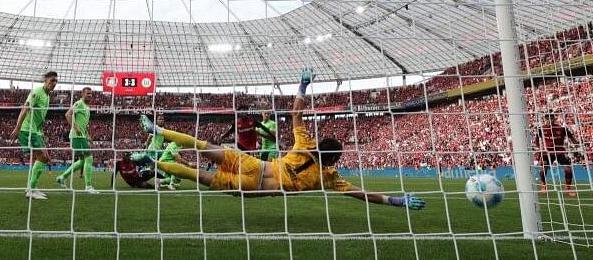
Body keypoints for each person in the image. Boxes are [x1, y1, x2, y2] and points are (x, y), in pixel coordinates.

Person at [132, 69, 425, 210]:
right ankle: (152, 158)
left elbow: (296, 114)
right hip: (255, 187)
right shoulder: (328, 177)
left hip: (255, 165)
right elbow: (360, 194)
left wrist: (303, 85)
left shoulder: (305, 144)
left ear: (320, 144)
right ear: (335, 159)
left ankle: (155, 133)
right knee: (197, 175)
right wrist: (396, 200)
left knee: (202, 146)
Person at [10, 71, 58, 200]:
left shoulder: (47, 96)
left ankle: (32, 187)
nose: (54, 83)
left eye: (55, 81)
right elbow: (25, 108)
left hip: (36, 131)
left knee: (45, 157)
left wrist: (40, 130)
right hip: (27, 130)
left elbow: (39, 116)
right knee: (42, 157)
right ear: (45, 80)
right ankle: (30, 189)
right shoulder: (37, 92)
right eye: (52, 80)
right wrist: (17, 128)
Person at [56, 87, 99, 194]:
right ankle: (88, 187)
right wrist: (75, 128)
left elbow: (84, 125)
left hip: (81, 136)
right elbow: (67, 114)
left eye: (91, 94)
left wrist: (88, 136)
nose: (90, 95)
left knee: (82, 161)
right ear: (82, 94)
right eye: (88, 93)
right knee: (89, 158)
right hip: (76, 136)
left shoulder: (87, 107)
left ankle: (62, 177)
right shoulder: (79, 103)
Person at [535, 111, 579, 196]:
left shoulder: (562, 128)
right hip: (547, 152)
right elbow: (536, 140)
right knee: (543, 169)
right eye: (547, 118)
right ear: (545, 119)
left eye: (551, 118)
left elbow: (572, 138)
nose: (549, 120)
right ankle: (544, 184)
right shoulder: (541, 129)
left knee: (568, 169)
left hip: (560, 151)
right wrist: (538, 148)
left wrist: (577, 144)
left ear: (554, 119)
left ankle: (568, 188)